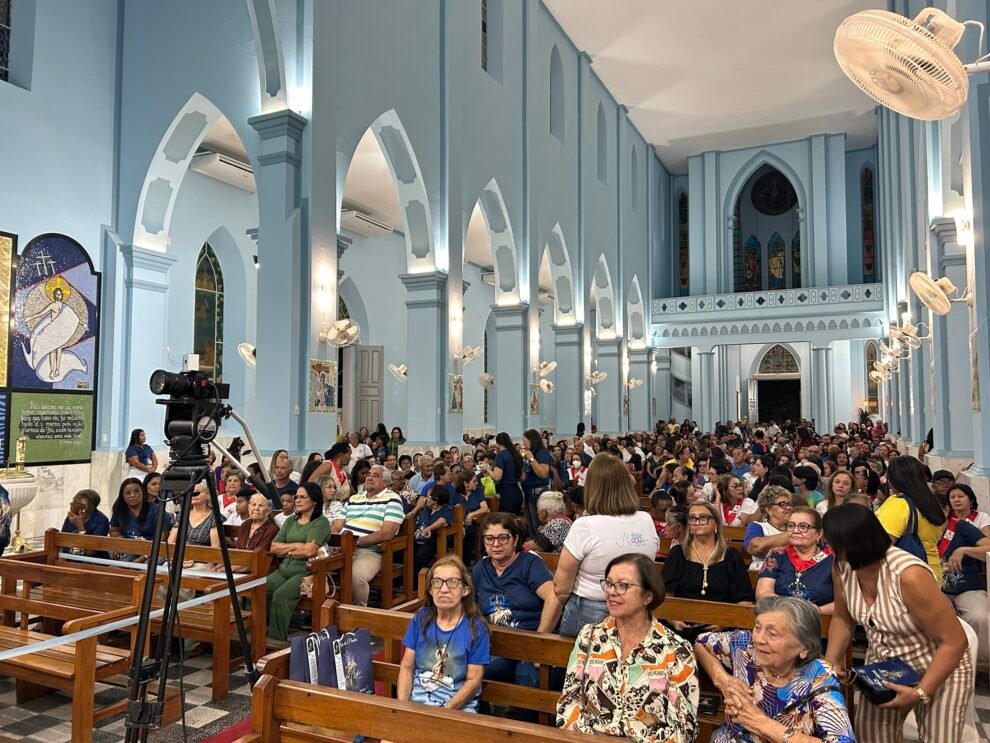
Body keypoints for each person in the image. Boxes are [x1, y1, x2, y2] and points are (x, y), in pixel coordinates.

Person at [823, 504, 972, 741]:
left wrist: (921, 692)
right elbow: (843, 617)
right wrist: (830, 664)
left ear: (852, 543)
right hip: (885, 666)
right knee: (871, 736)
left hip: (938, 665)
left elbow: (954, 641)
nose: (828, 549)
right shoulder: (842, 566)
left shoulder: (908, 575)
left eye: (832, 543)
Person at [557, 553, 700, 742]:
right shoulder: (590, 636)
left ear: (648, 596)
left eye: (623, 585)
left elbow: (683, 728)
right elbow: (569, 701)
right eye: (608, 583)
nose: (611, 591)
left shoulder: (676, 651)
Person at [694, 596, 854, 743]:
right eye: (757, 628)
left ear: (803, 647)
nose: (758, 639)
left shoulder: (819, 675)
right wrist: (723, 680)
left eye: (773, 634)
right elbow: (701, 643)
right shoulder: (745, 645)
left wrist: (760, 723)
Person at [553, 454, 659, 636]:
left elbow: (562, 587)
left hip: (590, 610)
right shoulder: (645, 519)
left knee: (582, 663)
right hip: (636, 608)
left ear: (592, 488)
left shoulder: (585, 525)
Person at [472, 513, 559, 718]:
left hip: (531, 645)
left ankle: (524, 732)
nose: (496, 544)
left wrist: (540, 641)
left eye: (503, 537)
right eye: (489, 538)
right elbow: (471, 607)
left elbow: (553, 598)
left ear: (515, 540)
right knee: (470, 672)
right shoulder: (480, 569)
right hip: (498, 646)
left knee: (527, 680)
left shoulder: (529, 564)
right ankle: (483, 728)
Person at [399, 555, 490, 711]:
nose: (444, 589)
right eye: (437, 582)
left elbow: (473, 680)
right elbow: (407, 668)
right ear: (430, 589)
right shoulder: (421, 619)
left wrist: (445, 712)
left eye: (453, 582)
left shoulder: (476, 628)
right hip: (417, 703)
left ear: (465, 590)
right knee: (385, 735)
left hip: (457, 708)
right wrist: (402, 708)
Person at [662, 502, 754, 625]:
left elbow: (745, 601)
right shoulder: (678, 553)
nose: (697, 522)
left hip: (722, 626)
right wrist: (673, 620)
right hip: (681, 623)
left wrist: (724, 622)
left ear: (716, 522)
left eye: (703, 517)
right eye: (692, 518)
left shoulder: (732, 556)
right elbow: (665, 595)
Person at [266, 482, 331, 641]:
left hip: (307, 571)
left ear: (314, 501)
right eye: (296, 497)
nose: (297, 500)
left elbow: (309, 551)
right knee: (259, 589)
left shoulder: (320, 522)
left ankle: (276, 642)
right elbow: (274, 547)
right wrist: (296, 546)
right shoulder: (291, 520)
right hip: (283, 569)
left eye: (303, 497)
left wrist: (287, 549)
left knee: (281, 595)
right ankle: (256, 637)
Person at [332, 464, 405, 606]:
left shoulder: (393, 499)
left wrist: (358, 542)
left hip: (369, 550)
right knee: (318, 568)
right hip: (342, 548)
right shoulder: (354, 499)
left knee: (356, 576)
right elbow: (337, 526)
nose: (369, 477)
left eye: (375, 475)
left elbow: (387, 533)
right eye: (369, 474)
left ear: (386, 483)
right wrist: (330, 540)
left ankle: (359, 614)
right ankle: (328, 612)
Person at [938, 487, 990, 662]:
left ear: (946, 510)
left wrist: (964, 550)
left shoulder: (961, 527)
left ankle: (981, 664)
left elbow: (988, 547)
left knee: (979, 617)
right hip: (934, 590)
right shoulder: (919, 529)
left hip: (966, 588)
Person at [876, 456, 947, 580]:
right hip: (931, 572)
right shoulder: (930, 502)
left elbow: (880, 547)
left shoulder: (899, 504)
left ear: (893, 479)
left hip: (908, 577)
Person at [756, 507, 834, 614]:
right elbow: (762, 593)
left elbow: (844, 602)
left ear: (819, 534)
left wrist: (818, 611)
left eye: (803, 526)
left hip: (819, 621)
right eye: (791, 526)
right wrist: (794, 608)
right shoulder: (777, 554)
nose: (795, 531)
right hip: (780, 616)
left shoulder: (833, 559)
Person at [110, 478, 171, 558]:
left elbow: (165, 534)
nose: (132, 495)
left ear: (143, 492)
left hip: (152, 549)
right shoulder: (120, 510)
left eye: (136, 491)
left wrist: (146, 552)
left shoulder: (156, 510)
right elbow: (114, 530)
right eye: (128, 493)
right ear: (123, 496)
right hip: (128, 547)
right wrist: (122, 542)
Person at [167, 482, 221, 567]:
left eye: (197, 492)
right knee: (160, 573)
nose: (193, 495)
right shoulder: (182, 515)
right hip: (178, 557)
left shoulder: (215, 517)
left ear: (208, 495)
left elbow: (215, 548)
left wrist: (193, 558)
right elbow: (171, 542)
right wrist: (176, 558)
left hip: (202, 560)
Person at [743, 485, 795, 572]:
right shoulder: (758, 526)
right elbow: (756, 547)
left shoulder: (795, 527)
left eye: (789, 504)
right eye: (782, 504)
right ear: (768, 510)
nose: (789, 507)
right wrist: (793, 533)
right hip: (762, 572)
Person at [413, 485, 454, 574]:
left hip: (435, 540)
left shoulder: (447, 510)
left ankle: (417, 584)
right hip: (419, 538)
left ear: (435, 501)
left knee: (419, 557)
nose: (425, 499)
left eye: (428, 497)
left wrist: (429, 528)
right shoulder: (427, 509)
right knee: (402, 553)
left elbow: (442, 521)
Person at [235, 494, 279, 573]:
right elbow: (238, 549)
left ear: (268, 511)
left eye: (261, 505)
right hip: (241, 563)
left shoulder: (271, 529)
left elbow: (259, 556)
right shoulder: (245, 524)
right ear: (249, 508)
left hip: (259, 568)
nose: (256, 508)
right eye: (253, 505)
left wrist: (231, 568)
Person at [520, 429, 552, 537]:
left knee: (538, 523)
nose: (523, 443)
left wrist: (531, 459)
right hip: (529, 490)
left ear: (532, 440)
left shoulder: (541, 453)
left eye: (525, 441)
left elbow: (543, 473)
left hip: (538, 490)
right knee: (531, 524)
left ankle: (541, 547)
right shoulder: (529, 453)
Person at [62, 489, 110, 559]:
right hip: (70, 560)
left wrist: (81, 528)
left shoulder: (101, 520)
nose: (71, 504)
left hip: (92, 563)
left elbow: (90, 552)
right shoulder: (71, 517)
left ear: (85, 507)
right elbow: (61, 542)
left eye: (75, 502)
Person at [491, 432, 524, 515]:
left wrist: (487, 469)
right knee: (515, 521)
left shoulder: (500, 455)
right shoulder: (516, 454)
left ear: (497, 444)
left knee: (506, 521)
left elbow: (497, 477)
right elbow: (522, 477)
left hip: (507, 493)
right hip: (517, 491)